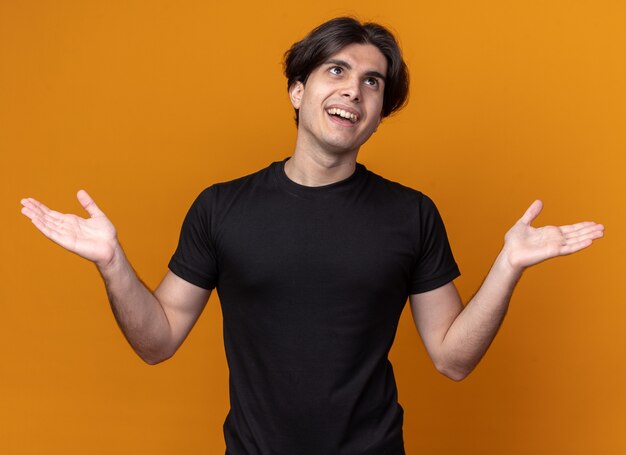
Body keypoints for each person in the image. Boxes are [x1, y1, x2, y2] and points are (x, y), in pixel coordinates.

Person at [20, 17, 603, 455]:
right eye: (336, 70)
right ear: (298, 92)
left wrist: (507, 267)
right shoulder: (222, 207)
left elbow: (452, 359)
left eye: (372, 82)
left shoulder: (412, 215)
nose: (354, 89)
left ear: (378, 112)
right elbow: (158, 341)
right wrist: (112, 263)